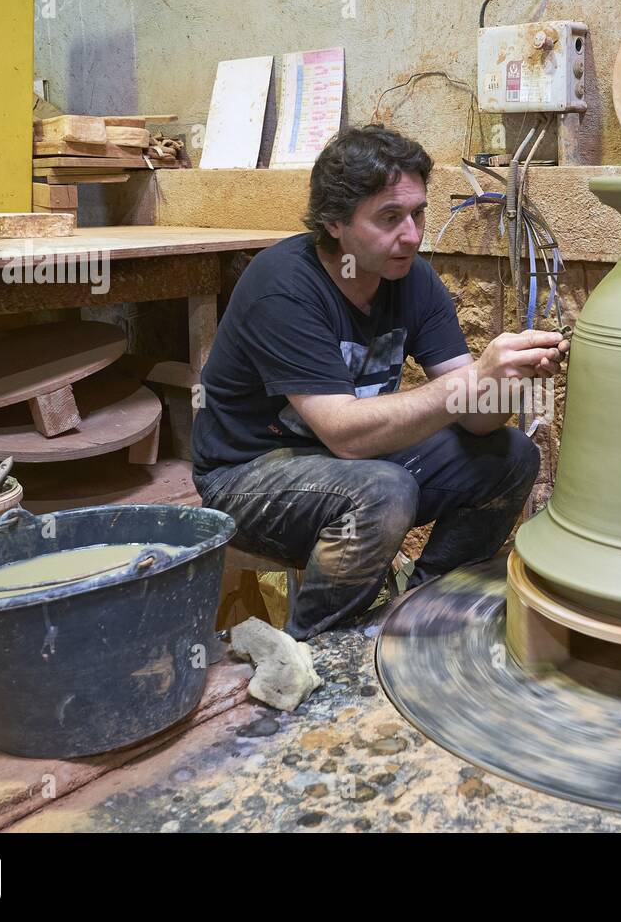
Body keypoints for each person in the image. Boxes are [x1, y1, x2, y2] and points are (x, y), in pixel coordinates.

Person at [190, 124, 569, 640]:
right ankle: (324, 644)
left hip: (346, 464)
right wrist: (478, 373)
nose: (412, 234)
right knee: (383, 491)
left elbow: (476, 421)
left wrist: (506, 380)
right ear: (335, 222)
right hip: (245, 476)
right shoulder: (282, 287)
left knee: (510, 457)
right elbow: (347, 434)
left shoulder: (411, 279)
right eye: (389, 218)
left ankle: (418, 606)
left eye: (418, 213)